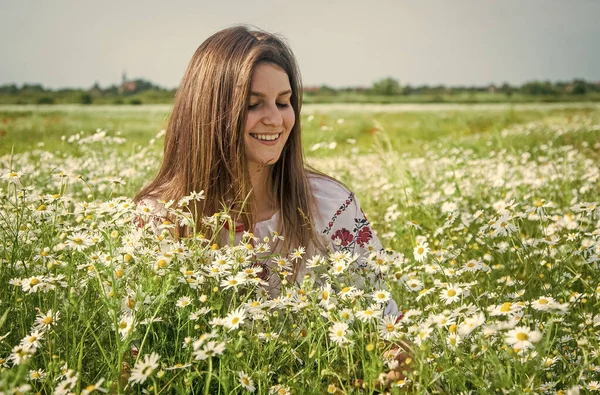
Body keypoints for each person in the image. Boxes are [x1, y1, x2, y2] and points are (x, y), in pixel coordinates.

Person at [134, 25, 410, 386]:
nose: (276, 119)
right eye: (253, 104)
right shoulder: (161, 219)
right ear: (208, 113)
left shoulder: (331, 207)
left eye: (283, 102)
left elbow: (392, 332)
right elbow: (136, 356)